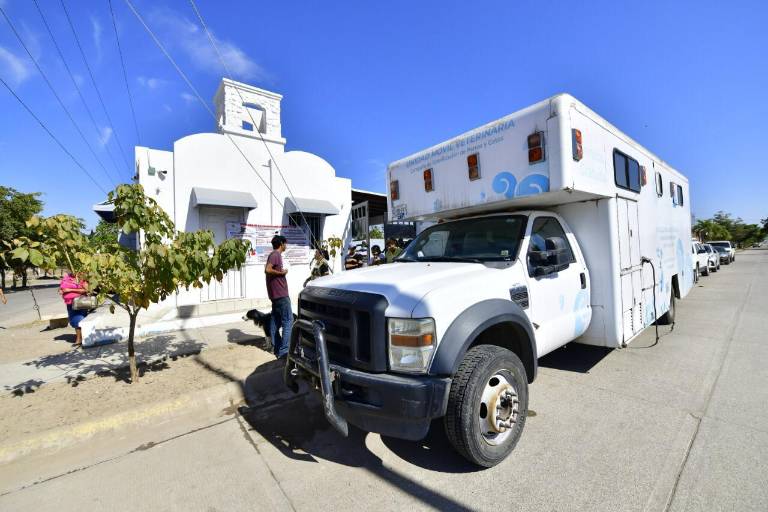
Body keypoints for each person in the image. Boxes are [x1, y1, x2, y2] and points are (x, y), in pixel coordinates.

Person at [265, 235, 291, 359]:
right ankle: (284, 351)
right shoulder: (275, 255)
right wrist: (282, 273)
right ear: (281, 243)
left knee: (275, 322)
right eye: (285, 243)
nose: (286, 245)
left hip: (276, 296)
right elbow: (268, 270)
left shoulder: (275, 255)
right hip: (281, 295)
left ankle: (277, 348)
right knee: (288, 321)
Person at [60, 272, 89, 348]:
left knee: (79, 319)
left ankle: (79, 339)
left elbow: (85, 290)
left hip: (79, 302)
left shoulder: (82, 277)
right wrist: (61, 291)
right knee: (73, 320)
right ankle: (80, 338)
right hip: (69, 302)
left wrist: (69, 290)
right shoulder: (66, 278)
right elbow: (62, 287)